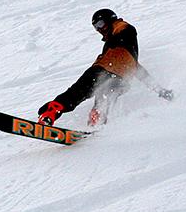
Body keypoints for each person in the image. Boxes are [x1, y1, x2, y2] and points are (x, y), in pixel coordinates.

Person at [37, 9, 173, 126]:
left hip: (103, 70)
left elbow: (126, 31)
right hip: (121, 80)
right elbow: (142, 73)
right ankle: (96, 124)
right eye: (96, 27)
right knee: (103, 98)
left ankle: (49, 114)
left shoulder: (121, 28)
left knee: (76, 93)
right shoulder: (130, 57)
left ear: (110, 20)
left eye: (100, 24)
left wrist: (115, 40)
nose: (100, 29)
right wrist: (160, 90)